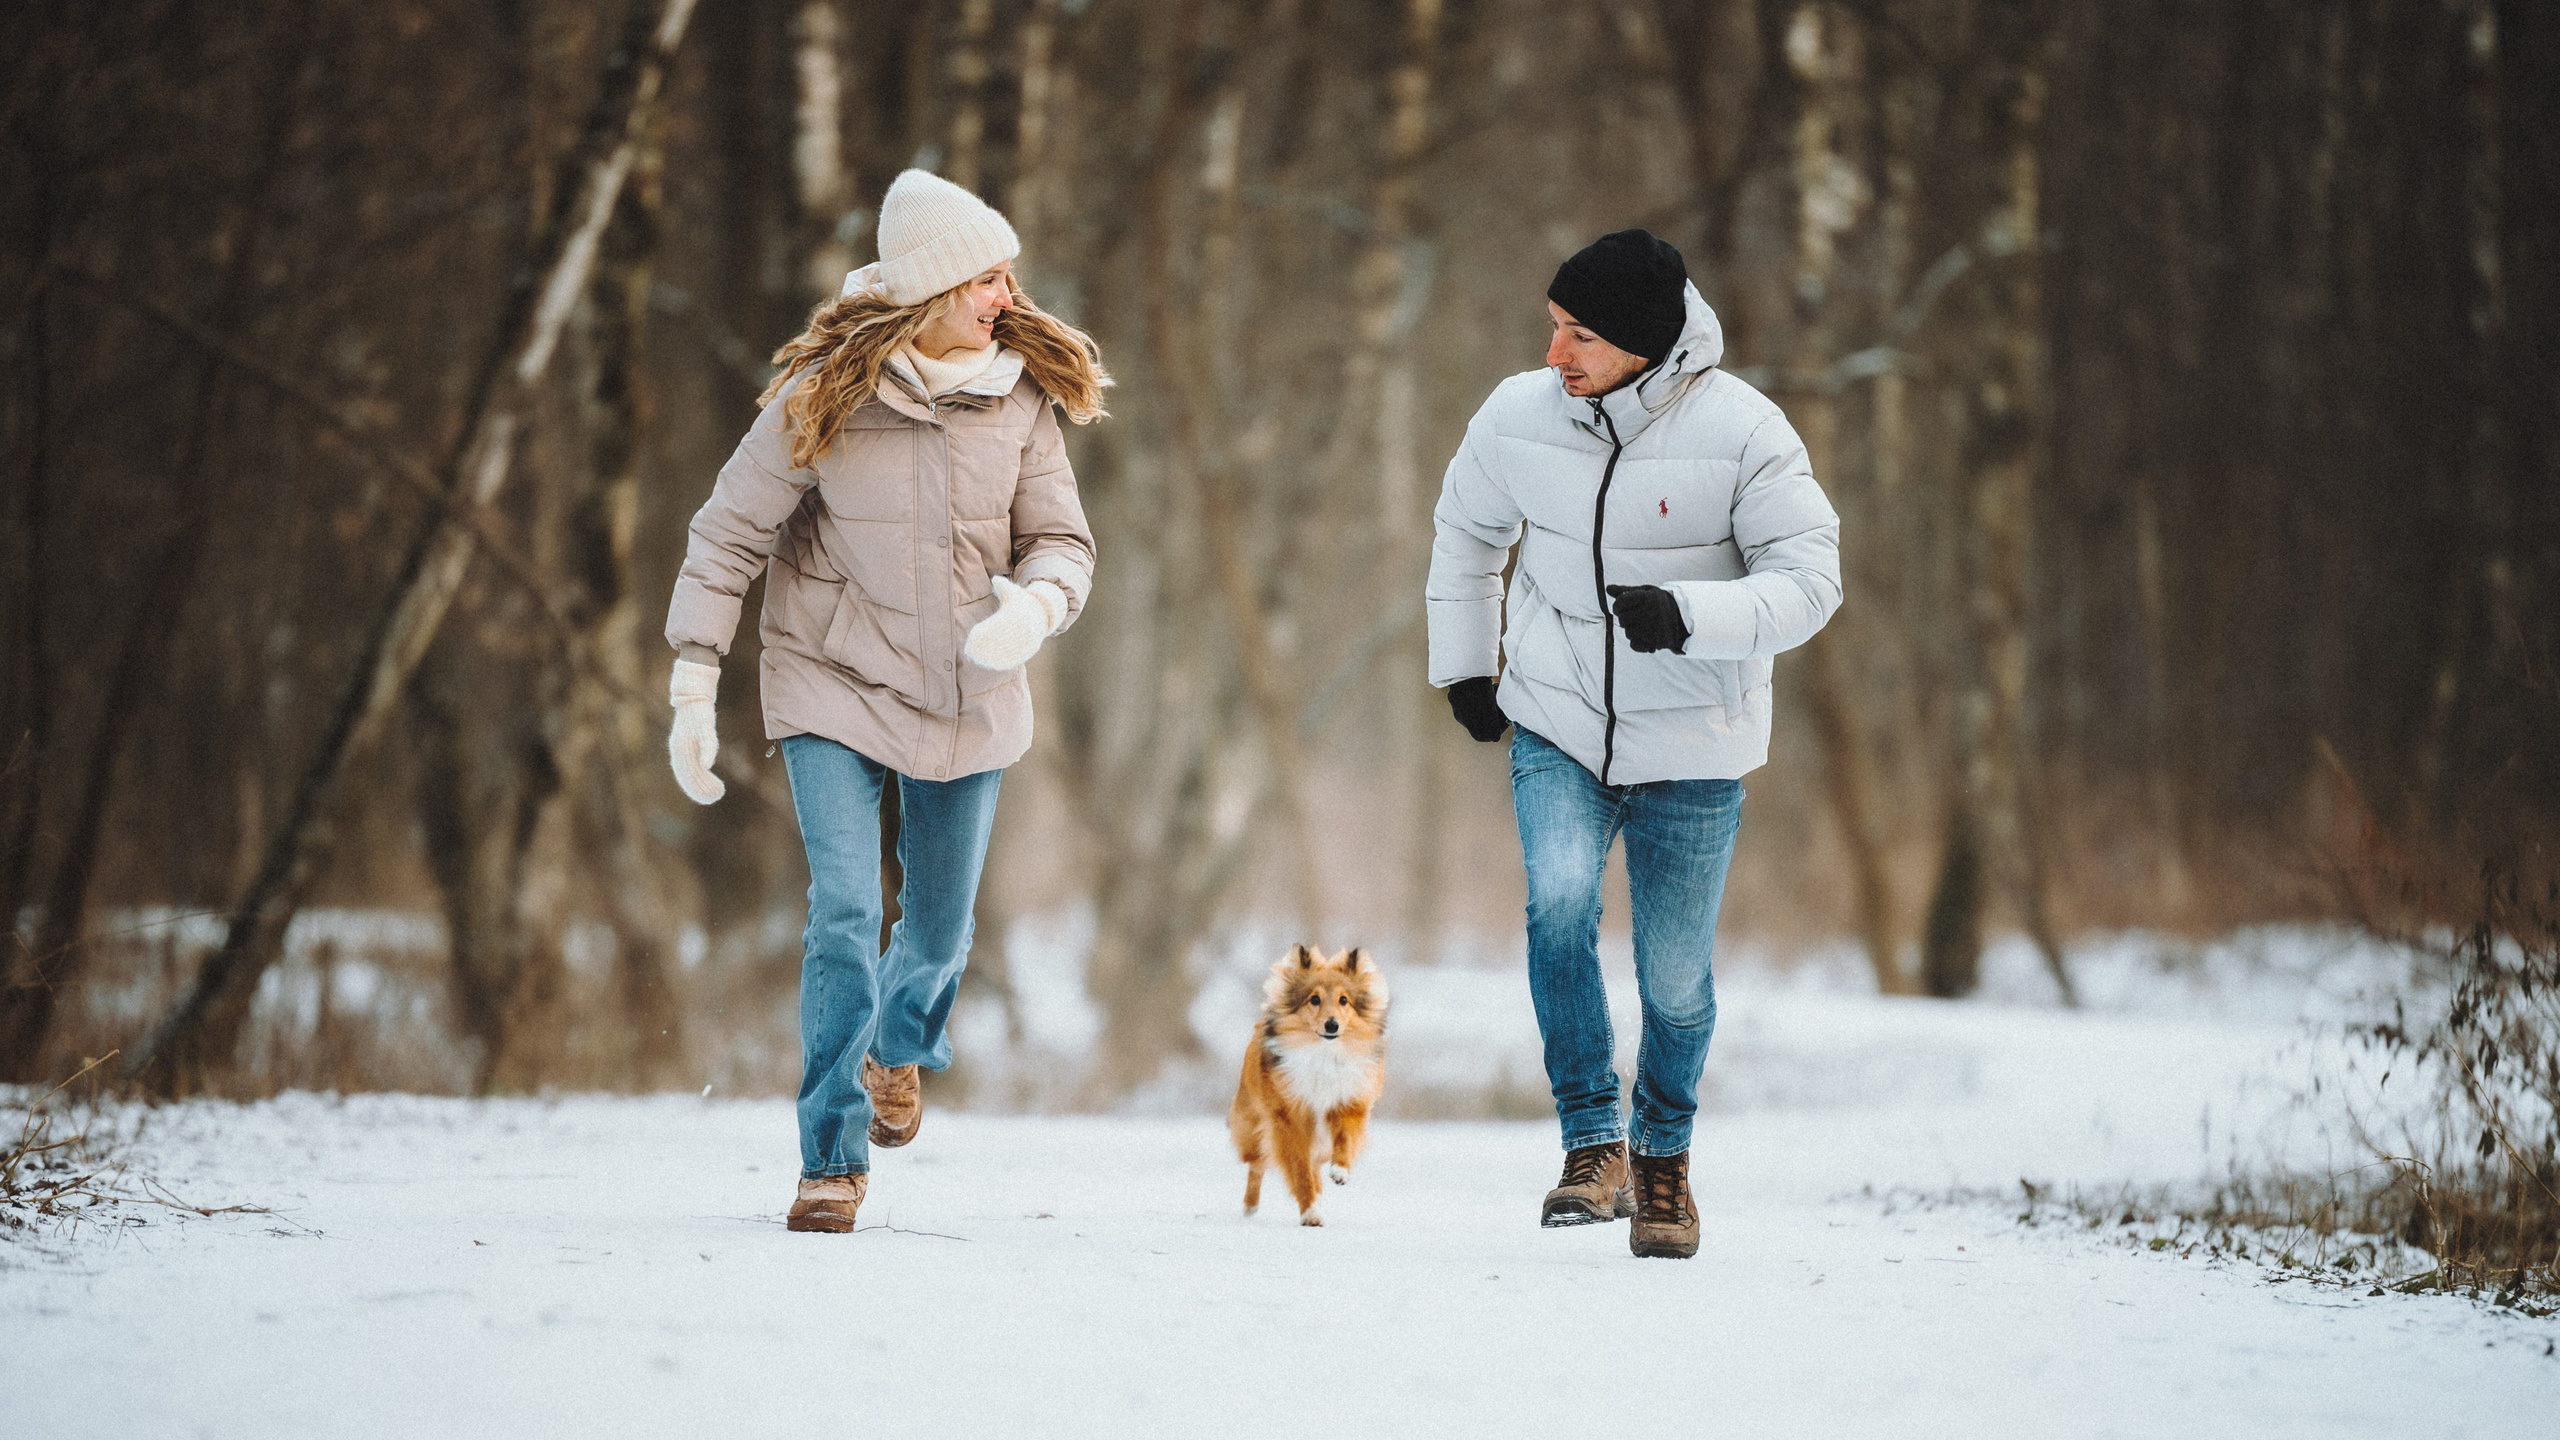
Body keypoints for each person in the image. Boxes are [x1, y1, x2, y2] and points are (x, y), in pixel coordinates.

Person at [663, 169, 1108, 1233]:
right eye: (981, 278)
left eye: (1006, 273)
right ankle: (829, 1159)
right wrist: (691, 675)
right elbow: (729, 533)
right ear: (927, 289)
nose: (1003, 293)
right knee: (849, 913)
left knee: (941, 934)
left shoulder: (1023, 397)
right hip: (833, 680)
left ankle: (899, 1047)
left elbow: (1063, 540)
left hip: (971, 686)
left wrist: (1036, 607)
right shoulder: (823, 394)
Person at [1424, 229, 1841, 1258]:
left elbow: (1810, 582)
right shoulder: (1517, 416)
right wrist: (1467, 667)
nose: (1556, 354)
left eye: (1582, 335)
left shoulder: (1745, 432)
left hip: (1694, 741)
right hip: (1557, 721)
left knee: (1675, 981)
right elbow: (1466, 533)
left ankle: (1663, 1161)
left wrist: (1692, 615)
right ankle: (1590, 1144)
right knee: (1558, 906)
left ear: (1648, 345)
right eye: (1554, 327)